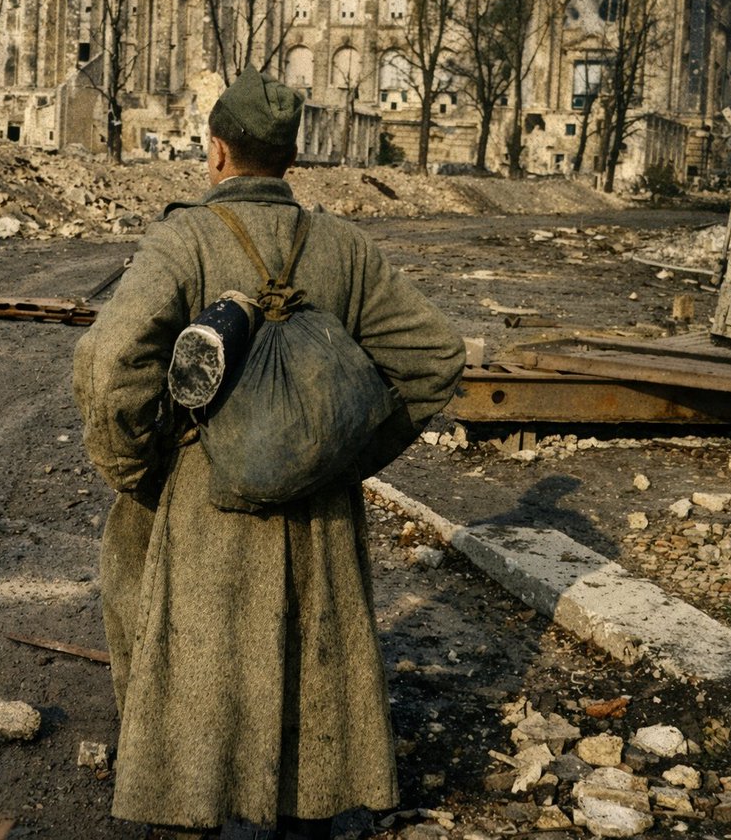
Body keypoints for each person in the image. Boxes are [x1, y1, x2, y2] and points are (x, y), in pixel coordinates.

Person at [73, 65, 466, 840]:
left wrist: (137, 472)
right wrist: (345, 450)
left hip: (203, 497)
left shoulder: (184, 237)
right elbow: (436, 357)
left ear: (216, 152)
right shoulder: (342, 247)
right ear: (291, 157)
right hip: (319, 508)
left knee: (199, 673)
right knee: (312, 669)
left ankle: (195, 804)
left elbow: (111, 358)